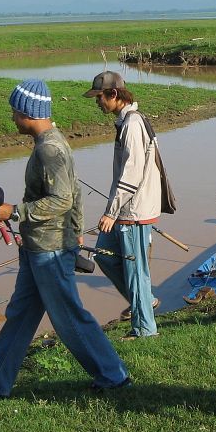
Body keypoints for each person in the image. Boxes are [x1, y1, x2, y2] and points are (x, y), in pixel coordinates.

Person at [0, 79, 130, 398]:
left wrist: (14, 211)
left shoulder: (50, 149)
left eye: (15, 112)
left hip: (51, 250)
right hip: (37, 247)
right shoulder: (48, 143)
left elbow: (62, 200)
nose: (13, 118)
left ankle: (113, 375)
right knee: (21, 315)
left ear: (28, 112)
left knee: (68, 316)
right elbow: (74, 196)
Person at [84, 71, 160, 339]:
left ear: (113, 95)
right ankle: (145, 300)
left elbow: (131, 173)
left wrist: (110, 212)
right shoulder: (126, 121)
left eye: (99, 97)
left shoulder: (132, 124)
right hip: (127, 209)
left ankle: (145, 329)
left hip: (133, 211)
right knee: (104, 254)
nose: (97, 103)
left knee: (136, 271)